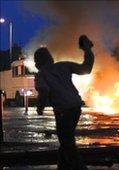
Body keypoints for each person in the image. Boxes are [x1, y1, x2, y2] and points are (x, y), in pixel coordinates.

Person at [34, 35, 94, 170]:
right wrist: (87, 50)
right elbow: (86, 69)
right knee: (65, 140)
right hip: (75, 107)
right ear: (50, 58)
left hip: (63, 111)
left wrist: (40, 107)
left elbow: (43, 90)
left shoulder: (41, 74)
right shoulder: (64, 65)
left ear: (37, 63)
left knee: (67, 144)